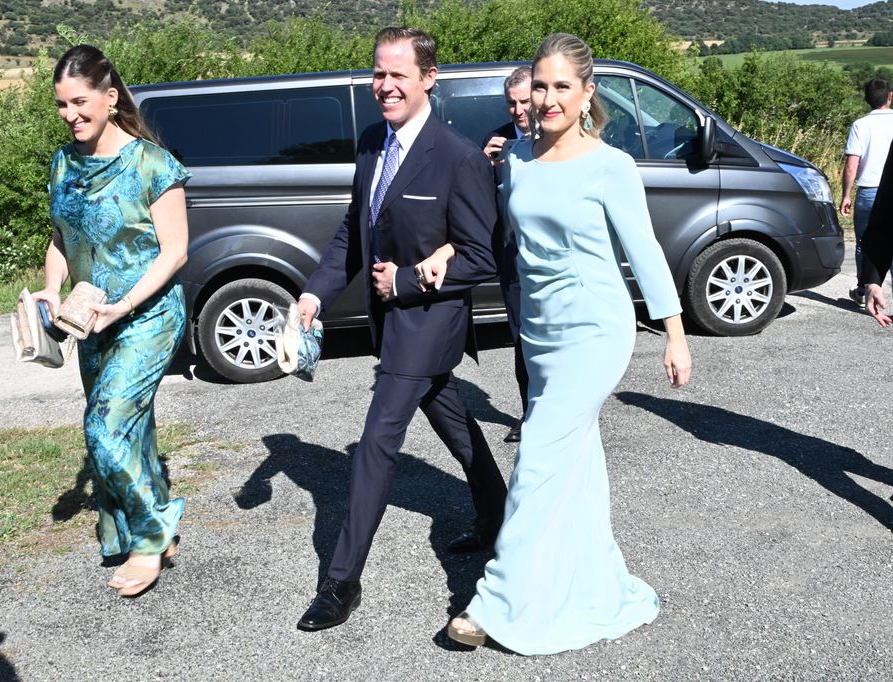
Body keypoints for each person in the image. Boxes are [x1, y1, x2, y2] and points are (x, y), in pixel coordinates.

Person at [446, 33, 692, 655]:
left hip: (595, 332)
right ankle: (593, 585)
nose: (548, 97)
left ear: (587, 95)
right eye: (541, 85)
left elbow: (644, 249)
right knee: (575, 470)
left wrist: (673, 332)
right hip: (540, 333)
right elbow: (501, 238)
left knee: (539, 457)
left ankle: (497, 600)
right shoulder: (519, 162)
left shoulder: (610, 166)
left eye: (562, 86)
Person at [294, 26, 509, 632]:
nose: (385, 86)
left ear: (428, 79)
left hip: (431, 322)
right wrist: (314, 295)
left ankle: (340, 582)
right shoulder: (371, 143)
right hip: (389, 325)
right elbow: (351, 234)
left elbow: (481, 255)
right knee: (455, 421)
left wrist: (409, 282)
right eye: (379, 74)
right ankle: (499, 517)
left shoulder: (459, 156)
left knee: (378, 440)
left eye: (398, 75)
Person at [35, 45, 191, 598]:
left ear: (110, 96)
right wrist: (52, 291)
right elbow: (62, 238)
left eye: (80, 102)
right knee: (132, 429)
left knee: (103, 427)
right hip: (88, 320)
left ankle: (153, 531)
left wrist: (121, 308)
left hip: (147, 316)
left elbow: (175, 252)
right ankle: (145, 531)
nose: (71, 114)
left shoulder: (151, 163)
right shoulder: (63, 163)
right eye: (61, 105)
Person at [481, 66, 532, 443]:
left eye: (525, 101)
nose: (518, 110)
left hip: (552, 258)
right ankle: (529, 413)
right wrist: (483, 168)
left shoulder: (557, 139)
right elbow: (478, 204)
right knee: (522, 339)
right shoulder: (496, 141)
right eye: (511, 103)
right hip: (513, 260)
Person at [841, 78, 893, 307]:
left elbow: (852, 164)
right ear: (890, 96)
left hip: (869, 191)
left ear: (866, 99)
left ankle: (865, 290)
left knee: (865, 242)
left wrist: (845, 194)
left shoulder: (860, 125)